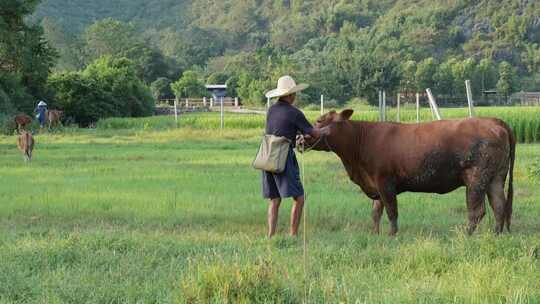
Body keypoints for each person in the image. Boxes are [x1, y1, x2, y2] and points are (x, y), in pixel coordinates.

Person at [262, 75, 321, 237]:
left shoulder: (271, 110)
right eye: (294, 94)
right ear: (289, 95)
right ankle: (293, 235)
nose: (295, 96)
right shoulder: (294, 113)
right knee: (299, 198)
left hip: (267, 154)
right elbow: (314, 134)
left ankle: (270, 235)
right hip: (283, 155)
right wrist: (327, 130)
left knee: (274, 199)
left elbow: (279, 129)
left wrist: (295, 137)